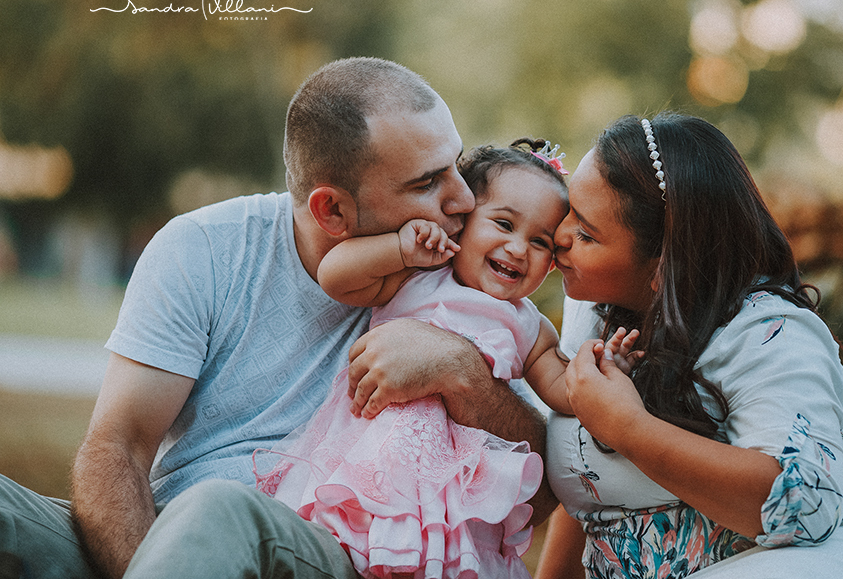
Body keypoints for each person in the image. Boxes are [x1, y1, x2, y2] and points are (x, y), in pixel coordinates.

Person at [0, 58, 554, 579]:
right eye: (426, 183)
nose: (463, 200)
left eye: (455, 167)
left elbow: (546, 488)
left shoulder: (460, 276)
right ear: (331, 209)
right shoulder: (205, 250)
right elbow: (117, 447)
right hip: (172, 540)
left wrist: (458, 370)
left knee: (220, 509)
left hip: (317, 547)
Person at [535, 113, 843, 578]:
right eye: (569, 210)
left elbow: (802, 506)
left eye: (587, 233)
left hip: (819, 560)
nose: (560, 236)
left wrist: (628, 428)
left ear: (665, 264)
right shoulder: (593, 312)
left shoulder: (770, 330)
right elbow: (587, 494)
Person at [253, 140, 640, 579]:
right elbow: (335, 275)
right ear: (461, 222)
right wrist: (401, 247)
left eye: (539, 241)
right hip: (372, 459)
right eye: (503, 224)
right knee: (347, 551)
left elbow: (563, 389)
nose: (517, 248)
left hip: (452, 488)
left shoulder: (527, 324)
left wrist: (603, 368)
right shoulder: (421, 275)